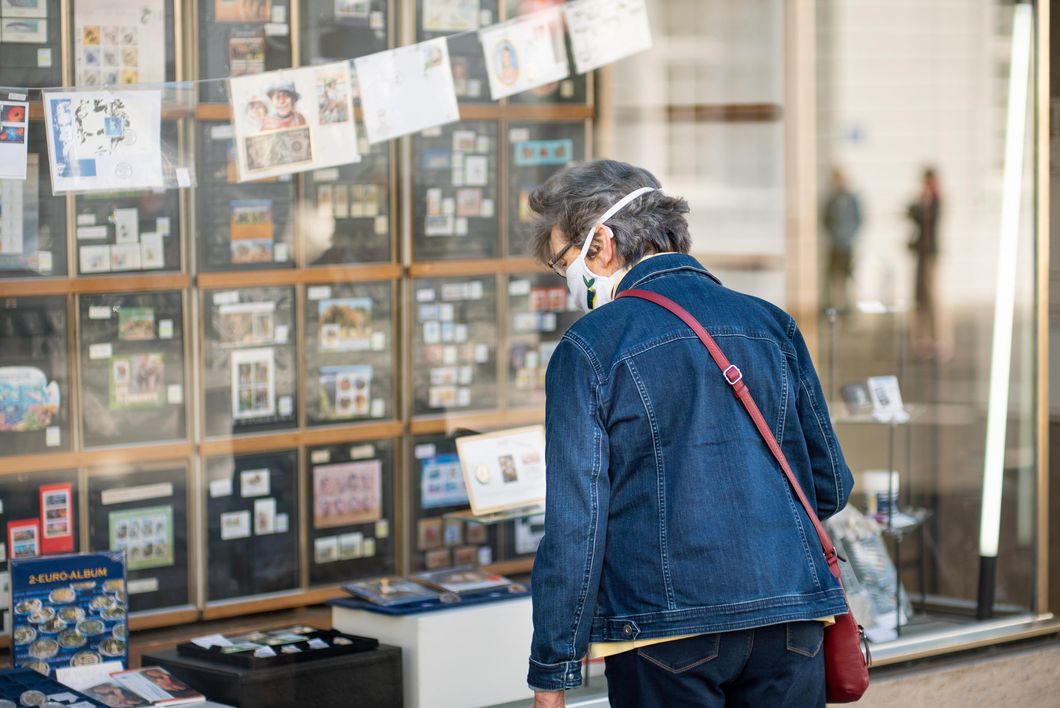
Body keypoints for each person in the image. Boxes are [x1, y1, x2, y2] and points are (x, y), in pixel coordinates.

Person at [525, 160, 853, 708]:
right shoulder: (771, 323)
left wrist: (553, 670)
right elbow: (830, 486)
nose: (567, 279)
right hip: (792, 616)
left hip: (663, 630)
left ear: (601, 243)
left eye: (564, 262)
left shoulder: (589, 348)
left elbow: (576, 528)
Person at [906, 166, 948, 359]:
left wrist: (924, 203)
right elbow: (911, 213)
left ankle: (939, 339)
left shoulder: (936, 201)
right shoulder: (924, 202)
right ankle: (922, 338)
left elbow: (928, 220)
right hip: (921, 254)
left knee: (931, 297)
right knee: (919, 297)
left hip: (930, 255)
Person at [822, 166, 862, 311]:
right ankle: (834, 303)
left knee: (848, 276)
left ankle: (847, 304)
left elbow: (858, 219)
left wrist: (850, 236)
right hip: (834, 244)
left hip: (847, 245)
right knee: (832, 276)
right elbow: (825, 220)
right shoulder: (831, 200)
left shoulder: (852, 199)